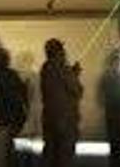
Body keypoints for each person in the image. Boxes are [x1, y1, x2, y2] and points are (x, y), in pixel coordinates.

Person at [40, 39, 82, 167]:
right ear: (58, 51)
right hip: (65, 119)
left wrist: (71, 72)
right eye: (62, 49)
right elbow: (77, 90)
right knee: (64, 156)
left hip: (49, 117)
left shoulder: (45, 68)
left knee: (50, 154)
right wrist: (75, 74)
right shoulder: (62, 68)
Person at [0, 48, 28, 167]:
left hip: (2, 116)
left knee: (3, 147)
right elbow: (22, 91)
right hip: (11, 116)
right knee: (6, 146)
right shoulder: (11, 74)